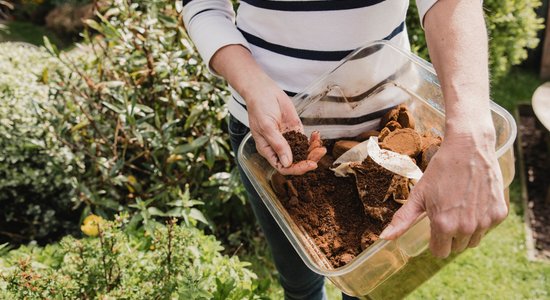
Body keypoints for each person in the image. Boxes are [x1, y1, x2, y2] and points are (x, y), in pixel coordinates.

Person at [180, 0, 508, 299]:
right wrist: (252, 83)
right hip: (273, 142)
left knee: (371, 290)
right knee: (300, 286)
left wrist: (469, 134)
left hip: (389, 139)